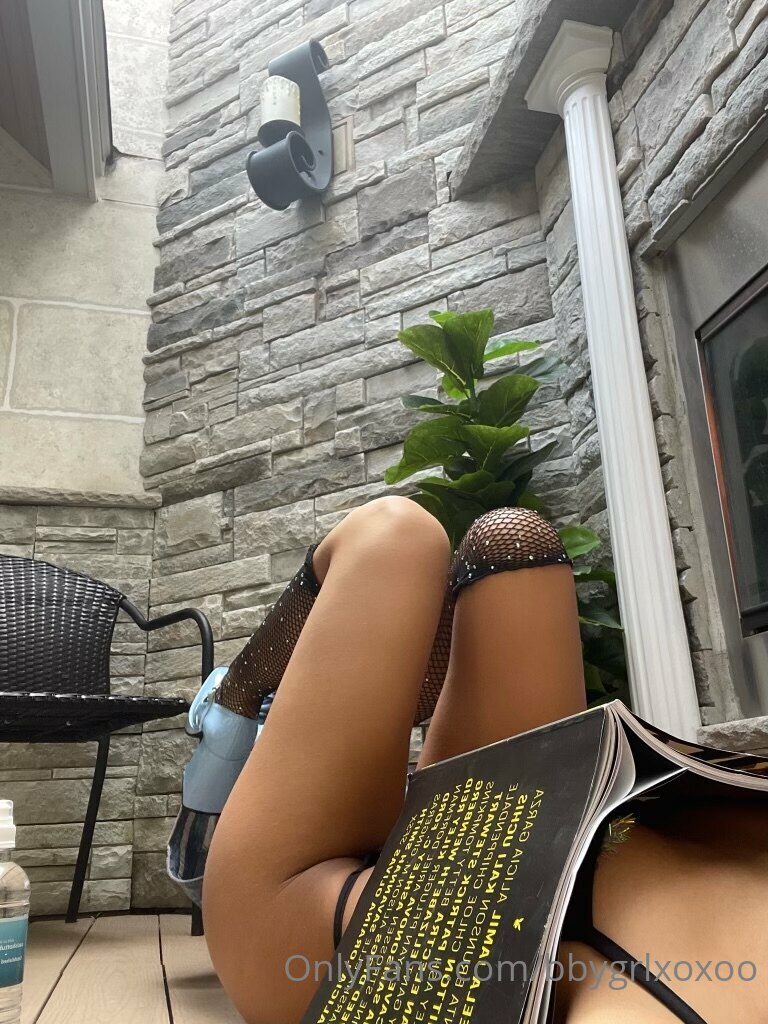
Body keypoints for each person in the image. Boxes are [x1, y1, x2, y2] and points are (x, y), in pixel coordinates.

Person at [171, 497, 768, 1024]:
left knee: (391, 532)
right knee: (513, 544)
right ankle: (342, 709)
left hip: (339, 932)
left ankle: (234, 715)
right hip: (521, 826)